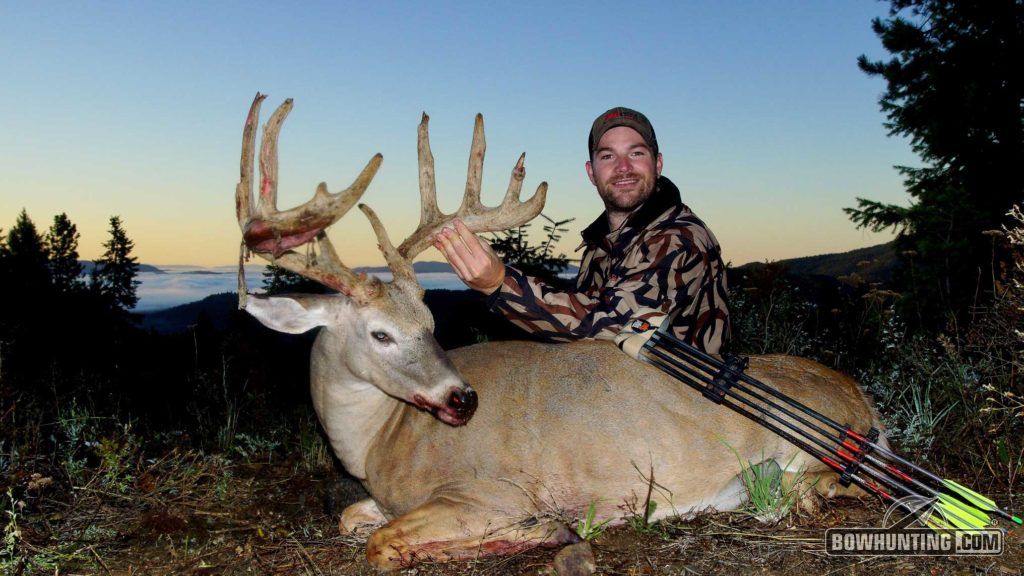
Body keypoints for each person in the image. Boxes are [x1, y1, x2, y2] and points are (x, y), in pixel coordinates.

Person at [434, 107, 730, 354]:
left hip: (681, 411)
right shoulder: (600, 245)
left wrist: (501, 283)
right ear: (591, 172)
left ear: (658, 163)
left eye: (636, 153)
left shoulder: (680, 237)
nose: (623, 167)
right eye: (608, 156)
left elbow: (613, 326)